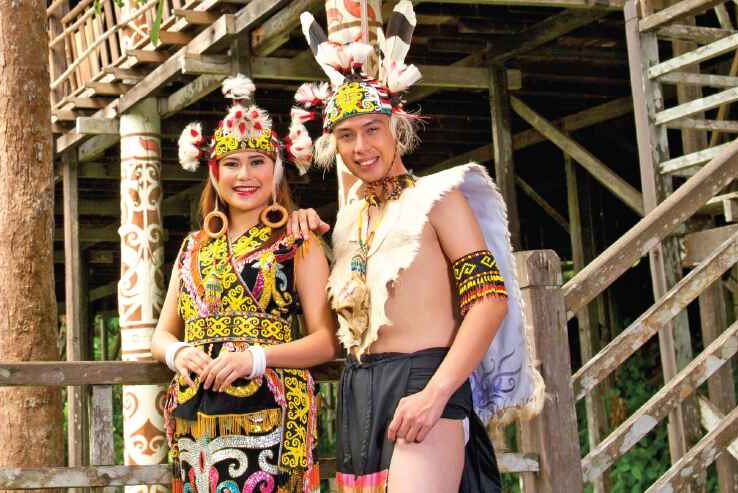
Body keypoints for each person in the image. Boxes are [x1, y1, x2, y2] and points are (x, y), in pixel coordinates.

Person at [285, 3, 545, 492]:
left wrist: (435, 393)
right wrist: (309, 234)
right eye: (346, 135)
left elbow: (489, 301)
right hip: (361, 388)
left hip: (425, 379)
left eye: (372, 130)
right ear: (332, 145)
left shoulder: (439, 197)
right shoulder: (349, 219)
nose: (361, 146)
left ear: (396, 128)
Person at [149, 74, 339, 493]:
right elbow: (161, 334)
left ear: (277, 169)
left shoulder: (297, 239)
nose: (244, 175)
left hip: (271, 411)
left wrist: (256, 359)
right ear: (214, 174)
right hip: (196, 415)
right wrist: (178, 352)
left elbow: (326, 342)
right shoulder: (193, 245)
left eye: (258, 162)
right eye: (231, 164)